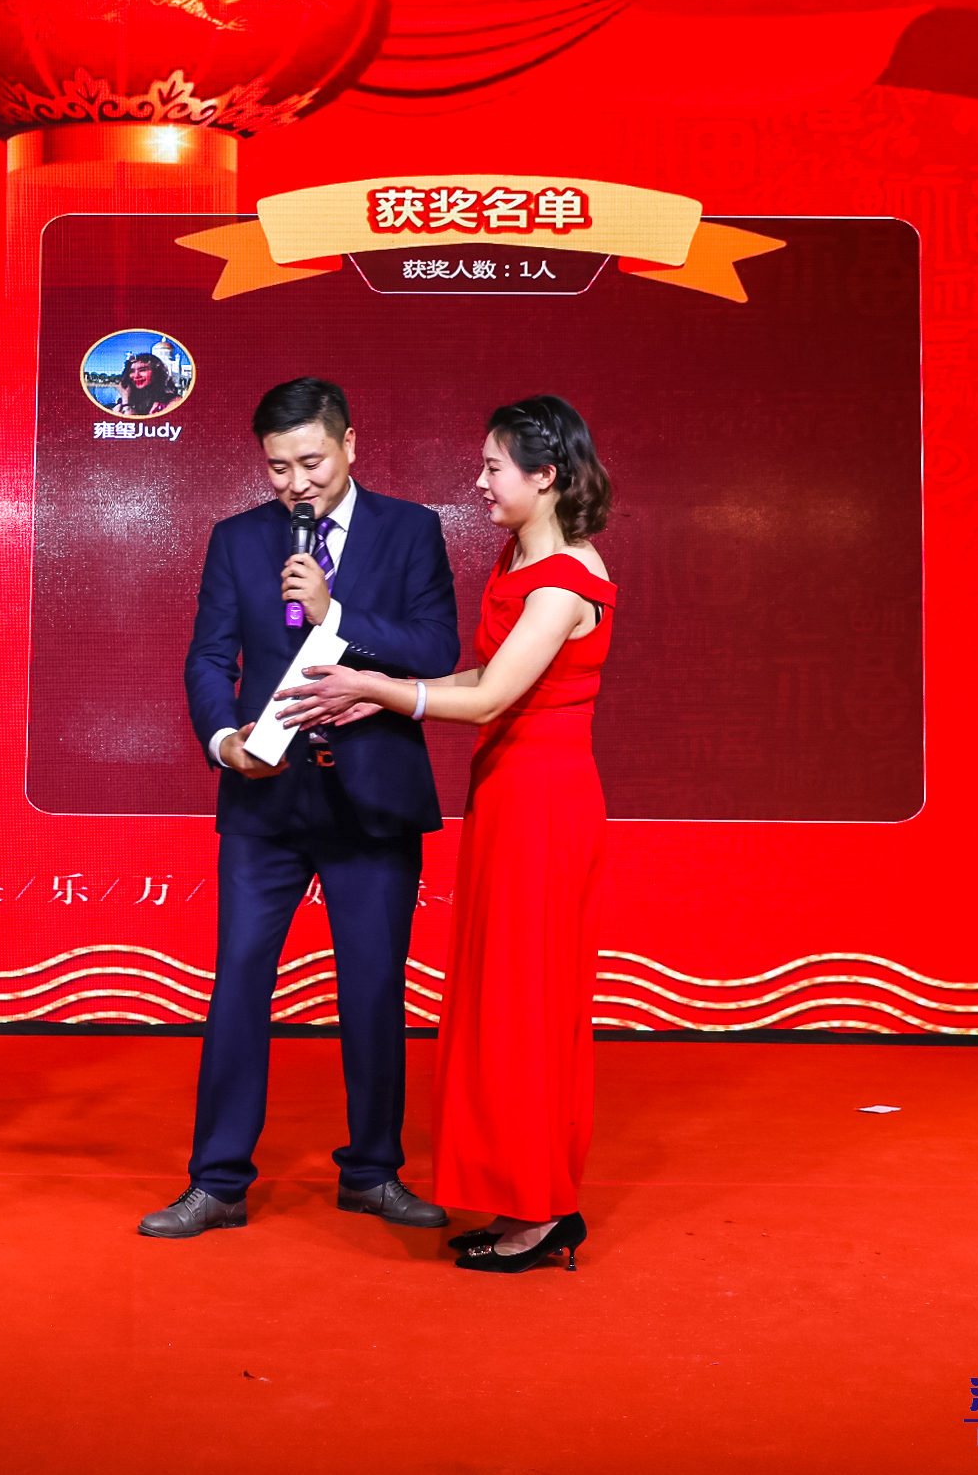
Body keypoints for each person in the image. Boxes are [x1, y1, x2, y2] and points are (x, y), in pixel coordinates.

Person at [276, 395, 616, 1274]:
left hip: (543, 803)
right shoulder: (521, 558)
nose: (480, 482)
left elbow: (490, 700)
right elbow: (483, 676)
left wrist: (374, 687)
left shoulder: (565, 581)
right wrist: (379, 695)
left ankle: (540, 1214)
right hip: (506, 793)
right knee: (501, 996)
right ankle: (523, 1197)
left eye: (493, 467)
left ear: (544, 476)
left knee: (527, 1002)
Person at [140, 377, 460, 1239]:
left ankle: (373, 1172)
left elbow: (437, 648)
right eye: (277, 467)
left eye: (310, 461)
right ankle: (217, 1182)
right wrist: (224, 741)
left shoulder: (410, 529)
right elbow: (209, 657)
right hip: (265, 796)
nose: (295, 482)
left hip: (373, 798)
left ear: (349, 443)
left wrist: (337, 613)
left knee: (373, 988)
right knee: (239, 979)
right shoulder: (237, 538)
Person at [116, 351, 182, 415]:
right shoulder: (125, 402)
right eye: (132, 371)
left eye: (142, 370)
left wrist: (127, 404)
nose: (136, 375)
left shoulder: (173, 402)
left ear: (156, 373)